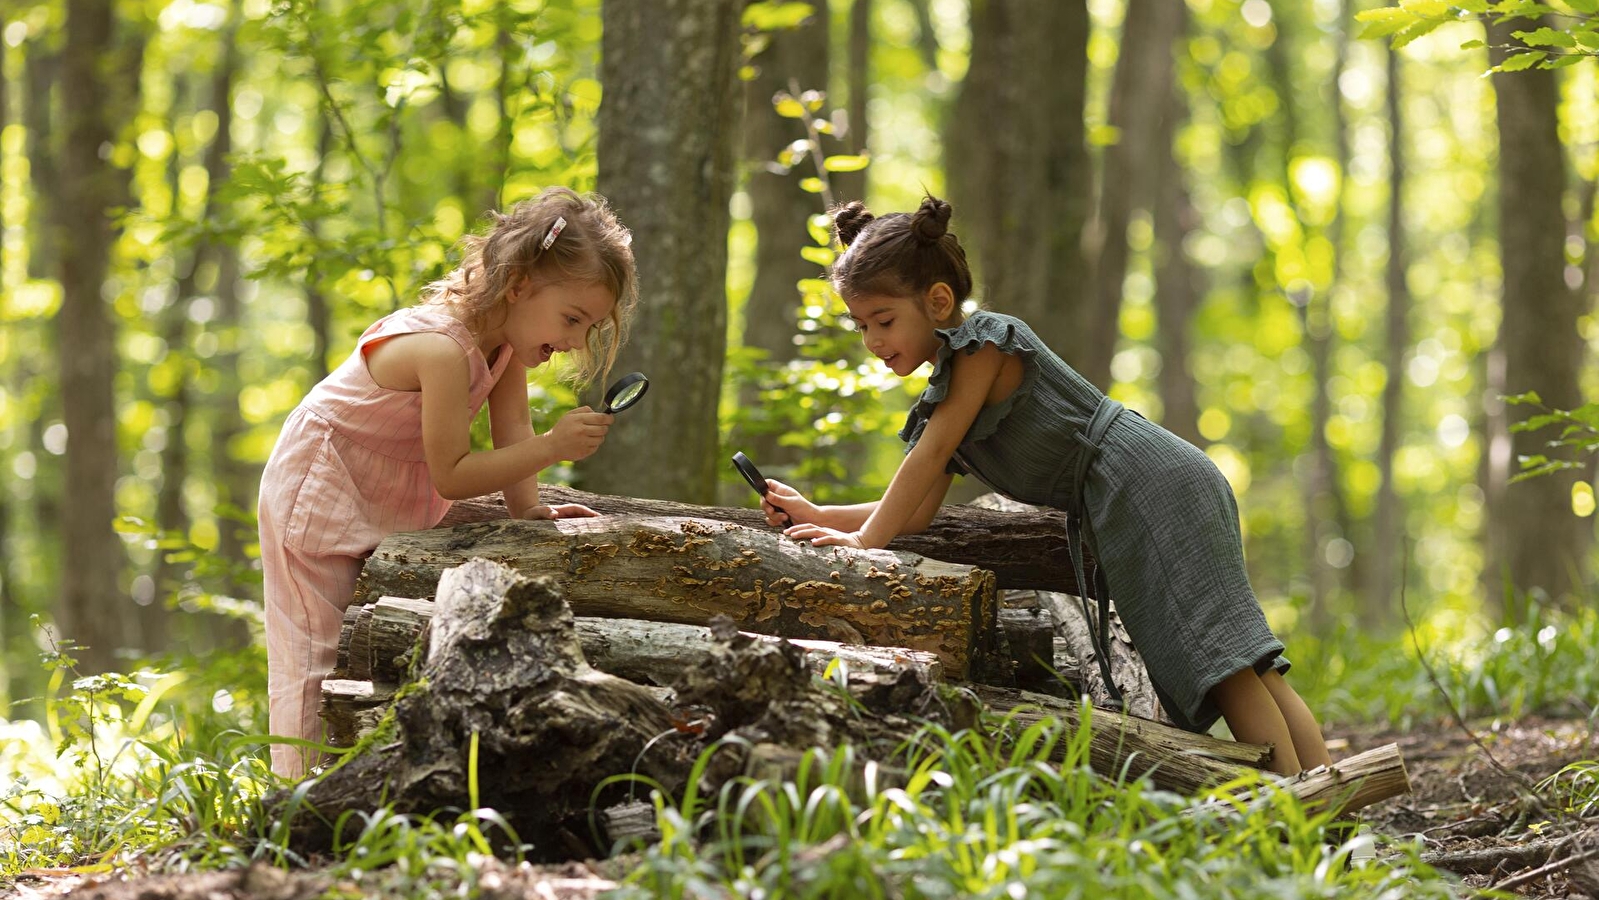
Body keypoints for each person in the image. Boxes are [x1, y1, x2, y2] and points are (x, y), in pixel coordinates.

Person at [761, 195, 1330, 775]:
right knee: (1244, 665)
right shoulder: (950, 392)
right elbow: (911, 511)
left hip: (1151, 484)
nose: (873, 341)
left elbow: (927, 459)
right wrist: (820, 513)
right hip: (1139, 490)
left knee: (1226, 665)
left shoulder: (985, 344)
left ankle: (1298, 816)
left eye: (884, 321)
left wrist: (863, 545)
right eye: (861, 326)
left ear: (937, 301)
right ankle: (1334, 814)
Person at [257, 187, 637, 778]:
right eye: (571, 318)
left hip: (383, 484)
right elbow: (454, 475)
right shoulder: (438, 349)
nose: (573, 342)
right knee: (313, 654)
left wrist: (528, 509)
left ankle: (365, 781)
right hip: (321, 482)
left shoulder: (503, 346)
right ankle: (293, 795)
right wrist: (556, 447)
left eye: (585, 328)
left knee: (370, 637)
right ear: (518, 285)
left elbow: (512, 426)